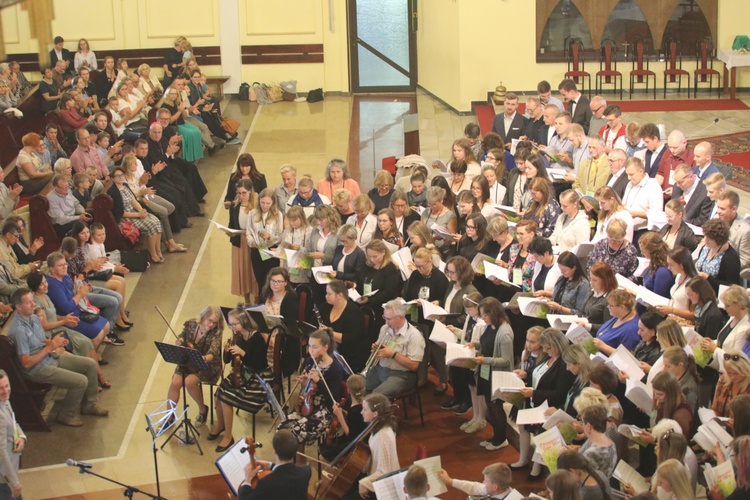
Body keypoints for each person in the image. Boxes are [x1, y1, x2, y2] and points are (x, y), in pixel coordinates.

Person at [7, 288, 108, 427]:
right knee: (80, 381)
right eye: (29, 302)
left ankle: (90, 404)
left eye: (32, 301)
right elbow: (26, 363)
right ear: (18, 306)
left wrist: (53, 344)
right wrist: (49, 348)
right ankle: (66, 414)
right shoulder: (18, 330)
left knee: (90, 364)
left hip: (49, 357)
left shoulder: (34, 319)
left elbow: (41, 342)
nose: (33, 304)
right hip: (37, 369)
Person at [208, 308, 273, 453]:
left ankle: (228, 436)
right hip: (242, 373)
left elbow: (258, 364)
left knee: (226, 398)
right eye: (230, 324)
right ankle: (221, 425)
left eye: (234, 324)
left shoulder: (256, 339)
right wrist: (226, 350)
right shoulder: (237, 337)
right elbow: (227, 360)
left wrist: (242, 352)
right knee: (218, 394)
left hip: (258, 377)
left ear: (244, 322)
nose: (231, 327)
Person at [513, 328, 576, 476]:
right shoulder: (549, 357)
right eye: (545, 348)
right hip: (537, 403)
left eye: (548, 348)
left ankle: (537, 469)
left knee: (543, 437)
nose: (546, 351)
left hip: (548, 407)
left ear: (558, 345)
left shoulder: (563, 363)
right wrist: (526, 374)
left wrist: (534, 393)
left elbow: (560, 393)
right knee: (534, 433)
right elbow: (539, 372)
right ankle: (531, 464)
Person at [278, 329, 344, 447]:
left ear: (325, 347)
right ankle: (294, 462)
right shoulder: (309, 361)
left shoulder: (335, 368)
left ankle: (300, 463)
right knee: (282, 429)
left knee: (296, 432)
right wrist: (305, 383)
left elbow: (334, 399)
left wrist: (319, 381)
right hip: (307, 404)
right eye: (309, 346)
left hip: (325, 410)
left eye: (315, 347)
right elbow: (309, 390)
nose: (310, 350)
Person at [166, 305, 223, 426]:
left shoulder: (216, 334)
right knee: (175, 382)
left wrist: (202, 358)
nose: (211, 325)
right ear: (203, 317)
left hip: (207, 365)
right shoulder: (191, 324)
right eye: (209, 320)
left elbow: (213, 353)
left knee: (189, 382)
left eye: (215, 323)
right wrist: (180, 341)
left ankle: (203, 409)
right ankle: (169, 416)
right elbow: (182, 335)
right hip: (188, 360)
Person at [472, 297, 513, 450]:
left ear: (494, 313)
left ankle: (501, 439)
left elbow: (507, 361)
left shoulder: (505, 333)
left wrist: (485, 360)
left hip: (496, 374)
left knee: (496, 407)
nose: (483, 318)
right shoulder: (492, 325)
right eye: (481, 315)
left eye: (485, 315)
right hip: (486, 371)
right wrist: (474, 344)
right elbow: (486, 343)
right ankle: (495, 436)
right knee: (490, 404)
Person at [44, 252, 109, 347]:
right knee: (98, 335)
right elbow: (66, 308)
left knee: (106, 325)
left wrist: (80, 288)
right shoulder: (53, 285)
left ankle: (95, 354)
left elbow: (73, 291)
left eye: (65, 264)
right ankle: (91, 356)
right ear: (51, 269)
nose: (64, 267)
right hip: (68, 317)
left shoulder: (65, 276)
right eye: (60, 265)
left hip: (79, 310)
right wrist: (80, 294)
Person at [364, 300, 425, 397]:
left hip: (401, 375)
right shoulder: (384, 328)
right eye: (384, 317)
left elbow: (414, 366)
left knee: (375, 396)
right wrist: (376, 350)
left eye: (389, 319)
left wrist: (393, 354)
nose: (386, 322)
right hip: (380, 369)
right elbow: (379, 353)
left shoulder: (414, 336)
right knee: (356, 386)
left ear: (401, 317)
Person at [107, 167, 165, 264]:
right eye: (117, 176)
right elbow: (120, 213)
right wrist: (138, 214)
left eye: (121, 175)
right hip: (126, 218)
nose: (120, 177)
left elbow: (133, 200)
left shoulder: (125, 185)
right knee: (151, 225)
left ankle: (158, 250)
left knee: (156, 221)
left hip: (135, 212)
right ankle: (152, 253)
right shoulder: (113, 192)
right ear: (113, 179)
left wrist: (141, 210)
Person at [237, 429, 311, 500]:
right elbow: (286, 473)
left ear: (274, 451)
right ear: (295, 451)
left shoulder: (265, 483)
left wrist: (247, 479)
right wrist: (271, 465)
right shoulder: (306, 471)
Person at [322, 280, 367, 373]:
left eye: (329, 294)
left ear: (339, 295)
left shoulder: (354, 312)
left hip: (346, 355)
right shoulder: (325, 306)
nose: (326, 296)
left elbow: (352, 339)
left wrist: (329, 333)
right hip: (328, 349)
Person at [320, 374, 367, 462]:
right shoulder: (357, 404)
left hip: (352, 443)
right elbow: (351, 417)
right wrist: (341, 411)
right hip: (350, 439)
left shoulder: (357, 410)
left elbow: (350, 433)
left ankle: (332, 473)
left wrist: (340, 416)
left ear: (348, 390)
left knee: (323, 457)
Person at [227, 179, 259, 305]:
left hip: (253, 242)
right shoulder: (235, 206)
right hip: (239, 242)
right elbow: (231, 224)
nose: (241, 196)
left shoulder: (256, 207)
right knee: (242, 270)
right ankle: (246, 299)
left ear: (250, 192)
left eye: (244, 193)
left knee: (253, 270)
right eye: (239, 193)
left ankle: (256, 297)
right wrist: (229, 231)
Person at [622, 157, 664, 244]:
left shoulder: (653, 185)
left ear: (641, 171)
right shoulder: (629, 184)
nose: (629, 178)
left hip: (644, 232)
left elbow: (657, 214)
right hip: (627, 229)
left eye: (631, 174)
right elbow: (624, 204)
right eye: (627, 174)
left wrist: (637, 214)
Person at [247, 188, 283, 290]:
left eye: (268, 203)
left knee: (271, 279)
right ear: (259, 201)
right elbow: (248, 233)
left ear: (273, 203)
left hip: (271, 251)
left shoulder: (278, 214)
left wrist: (270, 237)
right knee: (260, 279)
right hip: (257, 250)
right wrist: (253, 243)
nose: (265, 206)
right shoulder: (252, 213)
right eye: (262, 202)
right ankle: (262, 302)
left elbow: (280, 236)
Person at [696, 219, 741, 292]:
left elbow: (732, 287)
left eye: (709, 238)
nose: (705, 240)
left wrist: (708, 278)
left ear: (719, 239)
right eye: (705, 236)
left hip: (713, 293)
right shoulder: (706, 247)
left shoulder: (731, 258)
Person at [0, 370, 25, 499]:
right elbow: (1, 451)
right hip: (4, 477)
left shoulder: (5, 400)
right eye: (0, 388)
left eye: (7, 386)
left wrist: (21, 437)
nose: (5, 391)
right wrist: (14, 482)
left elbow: (13, 421)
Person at [592, 289, 640, 353]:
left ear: (622, 307)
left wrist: (604, 347)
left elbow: (626, 356)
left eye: (611, 306)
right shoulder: (619, 316)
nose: (608, 307)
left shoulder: (631, 330)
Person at [438, 463, 518, 499]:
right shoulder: (501, 489)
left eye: (486, 481)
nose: (483, 482)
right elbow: (475, 487)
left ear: (495, 487)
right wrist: (450, 481)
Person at [547, 251, 591, 316]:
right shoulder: (561, 279)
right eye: (560, 269)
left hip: (569, 321)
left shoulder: (583, 284)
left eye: (564, 270)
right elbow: (556, 298)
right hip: (554, 316)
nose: (562, 272)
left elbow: (580, 313)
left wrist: (560, 308)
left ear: (574, 267)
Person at [716, 190, 750, 269]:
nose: (718, 211)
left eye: (722, 209)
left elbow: (746, 261)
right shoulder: (716, 219)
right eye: (718, 207)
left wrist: (722, 267)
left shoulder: (744, 231)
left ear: (734, 209)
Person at [507, 219, 538, 291]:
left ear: (531, 234)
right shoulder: (514, 248)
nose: (518, 237)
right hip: (511, 286)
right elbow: (509, 267)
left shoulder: (536, 254)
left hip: (526, 290)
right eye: (517, 233)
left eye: (521, 234)